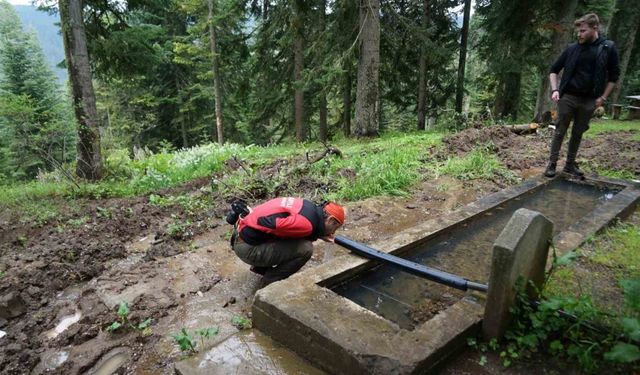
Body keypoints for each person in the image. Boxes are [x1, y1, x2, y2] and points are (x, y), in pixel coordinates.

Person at [544, 13, 620, 178]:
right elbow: (553, 70)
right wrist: (555, 89)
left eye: (583, 31)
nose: (579, 34)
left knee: (578, 133)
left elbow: (614, 77)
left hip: (589, 100)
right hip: (568, 97)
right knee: (559, 131)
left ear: (595, 28)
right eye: (578, 31)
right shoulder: (572, 49)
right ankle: (552, 164)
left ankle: (569, 165)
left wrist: (603, 98)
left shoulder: (608, 48)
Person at [230, 197, 345, 286]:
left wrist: (318, 234)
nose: (334, 232)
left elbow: (288, 226)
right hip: (247, 248)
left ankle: (261, 268)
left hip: (241, 235)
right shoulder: (307, 225)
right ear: (330, 220)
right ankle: (270, 283)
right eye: (336, 227)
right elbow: (266, 222)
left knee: (294, 239)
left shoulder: (307, 206)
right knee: (306, 249)